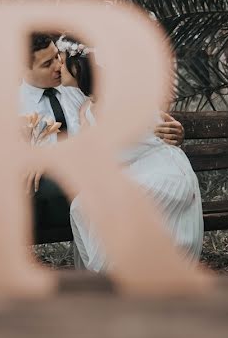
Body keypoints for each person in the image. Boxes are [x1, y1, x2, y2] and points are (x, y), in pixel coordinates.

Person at [0, 34, 186, 235]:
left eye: (57, 58)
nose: (58, 66)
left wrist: (171, 130)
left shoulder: (78, 86)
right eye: (47, 63)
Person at [62, 45, 203, 271]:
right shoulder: (87, 107)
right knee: (82, 205)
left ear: (79, 69)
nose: (59, 66)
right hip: (128, 171)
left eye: (63, 62)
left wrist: (175, 131)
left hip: (161, 171)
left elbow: (155, 130)